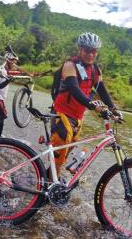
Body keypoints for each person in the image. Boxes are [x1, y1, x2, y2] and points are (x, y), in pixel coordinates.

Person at [50, 32, 121, 179]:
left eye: (94, 51)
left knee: (67, 151)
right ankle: (50, 187)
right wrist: (94, 106)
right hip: (61, 114)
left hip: (78, 117)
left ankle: (49, 177)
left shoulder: (95, 70)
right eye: (87, 50)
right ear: (80, 49)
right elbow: (75, 90)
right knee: (58, 155)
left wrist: (114, 109)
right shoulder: (70, 65)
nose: (91, 54)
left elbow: (102, 91)